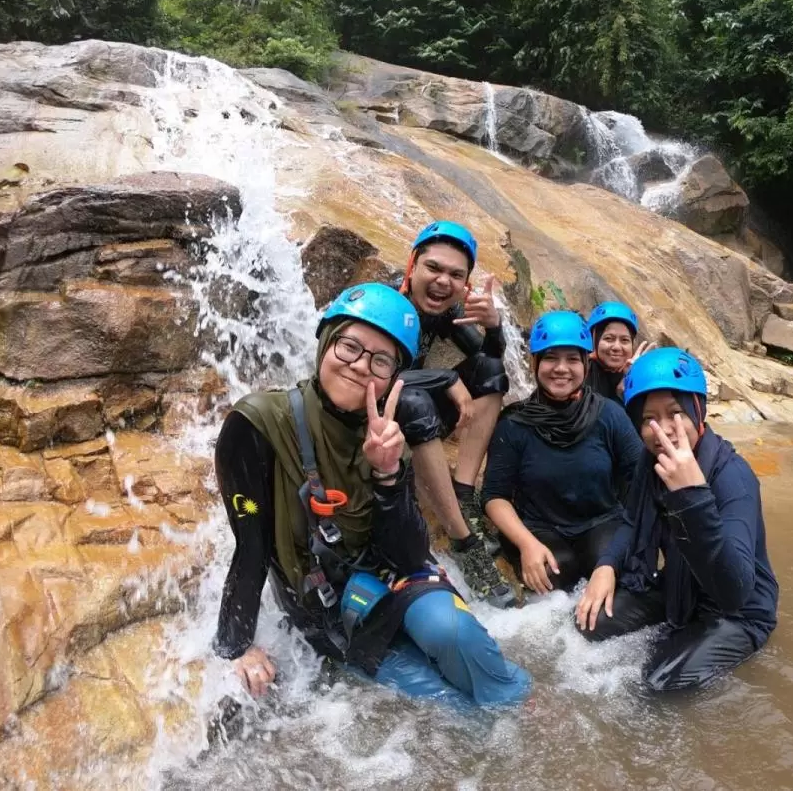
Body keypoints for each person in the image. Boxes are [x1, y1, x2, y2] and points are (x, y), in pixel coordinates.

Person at [212, 283, 531, 707]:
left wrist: (388, 474)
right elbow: (249, 544)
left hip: (394, 573)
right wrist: (235, 646)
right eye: (349, 347)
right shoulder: (256, 425)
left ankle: (526, 718)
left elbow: (411, 553)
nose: (361, 366)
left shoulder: (390, 422)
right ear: (326, 343)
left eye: (381, 360)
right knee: (444, 703)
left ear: (394, 375)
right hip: (324, 602)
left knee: (458, 640)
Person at [575, 347, 778, 692]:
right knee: (590, 623)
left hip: (738, 612)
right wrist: (605, 566)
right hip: (680, 585)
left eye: (675, 413)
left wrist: (692, 496)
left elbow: (735, 591)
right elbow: (631, 520)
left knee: (659, 684)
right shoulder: (650, 461)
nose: (663, 430)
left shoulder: (734, 478)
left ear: (698, 412)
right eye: (648, 418)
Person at [393, 220, 515, 609]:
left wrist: (494, 328)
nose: (443, 282)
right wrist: (443, 377)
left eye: (455, 275)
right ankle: (464, 543)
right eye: (434, 268)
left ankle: (462, 492)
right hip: (371, 421)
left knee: (490, 374)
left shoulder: (449, 312)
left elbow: (489, 360)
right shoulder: (386, 305)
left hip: (413, 413)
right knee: (415, 400)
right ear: (413, 265)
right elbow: (370, 378)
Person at [482, 311, 643, 595]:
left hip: (601, 520)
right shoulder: (514, 423)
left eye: (572, 359)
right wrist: (526, 544)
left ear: (585, 364)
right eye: (551, 358)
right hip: (539, 527)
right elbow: (495, 496)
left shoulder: (609, 414)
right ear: (535, 363)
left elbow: (640, 475)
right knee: (554, 573)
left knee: (610, 567)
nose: (561, 368)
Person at [584, 301, 654, 403]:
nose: (617, 347)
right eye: (608, 338)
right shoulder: (581, 373)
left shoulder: (631, 371)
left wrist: (632, 379)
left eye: (625, 340)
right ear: (594, 339)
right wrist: (620, 394)